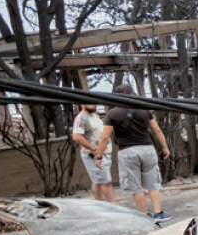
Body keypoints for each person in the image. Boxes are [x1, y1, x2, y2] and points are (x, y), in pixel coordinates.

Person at [95, 84, 171, 220]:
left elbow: (105, 137)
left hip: (127, 152)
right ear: (132, 94)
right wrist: (165, 147)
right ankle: (158, 213)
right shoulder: (144, 110)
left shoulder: (112, 113)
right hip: (147, 150)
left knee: (135, 186)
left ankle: (145, 216)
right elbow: (157, 130)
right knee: (153, 183)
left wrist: (99, 156)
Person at [71, 103, 116, 203]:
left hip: (104, 153)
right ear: (82, 104)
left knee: (98, 181)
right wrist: (92, 149)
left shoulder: (94, 116)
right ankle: (114, 206)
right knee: (105, 182)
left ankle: (99, 205)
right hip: (93, 155)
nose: (94, 105)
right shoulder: (81, 118)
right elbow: (76, 136)